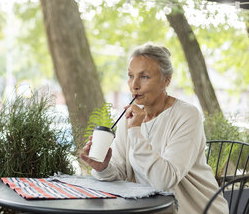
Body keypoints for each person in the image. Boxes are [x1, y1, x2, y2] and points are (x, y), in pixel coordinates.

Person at [80, 43, 229, 214]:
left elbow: (164, 181)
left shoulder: (187, 115)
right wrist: (103, 167)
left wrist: (135, 131)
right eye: (130, 76)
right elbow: (119, 172)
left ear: (166, 80)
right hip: (148, 209)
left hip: (195, 209)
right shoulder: (128, 118)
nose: (134, 85)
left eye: (144, 77)